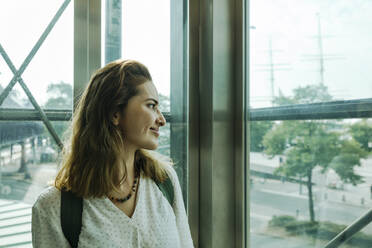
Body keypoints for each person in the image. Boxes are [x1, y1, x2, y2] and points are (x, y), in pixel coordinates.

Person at [31, 60, 194, 248]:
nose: (162, 119)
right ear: (115, 112)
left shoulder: (164, 181)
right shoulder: (53, 207)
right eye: (151, 106)